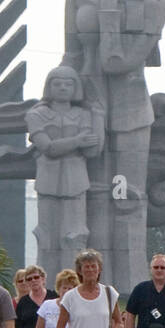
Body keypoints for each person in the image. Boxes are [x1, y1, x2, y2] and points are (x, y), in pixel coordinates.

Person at [62, 0, 165, 292]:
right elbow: (71, 56)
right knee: (90, 193)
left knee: (127, 196)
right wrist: (59, 106)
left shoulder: (155, 0)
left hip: (130, 110)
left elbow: (119, 62)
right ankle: (86, 282)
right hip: (87, 109)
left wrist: (109, 11)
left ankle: (131, 284)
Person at [26, 66, 102, 286]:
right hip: (48, 181)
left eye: (68, 83)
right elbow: (47, 147)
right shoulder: (36, 114)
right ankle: (47, 287)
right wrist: (77, 141)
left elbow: (92, 150)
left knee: (75, 237)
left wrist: (98, 118)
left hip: (76, 181)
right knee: (46, 236)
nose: (62, 88)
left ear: (75, 87)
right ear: (49, 86)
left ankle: (76, 285)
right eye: (57, 83)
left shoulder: (83, 115)